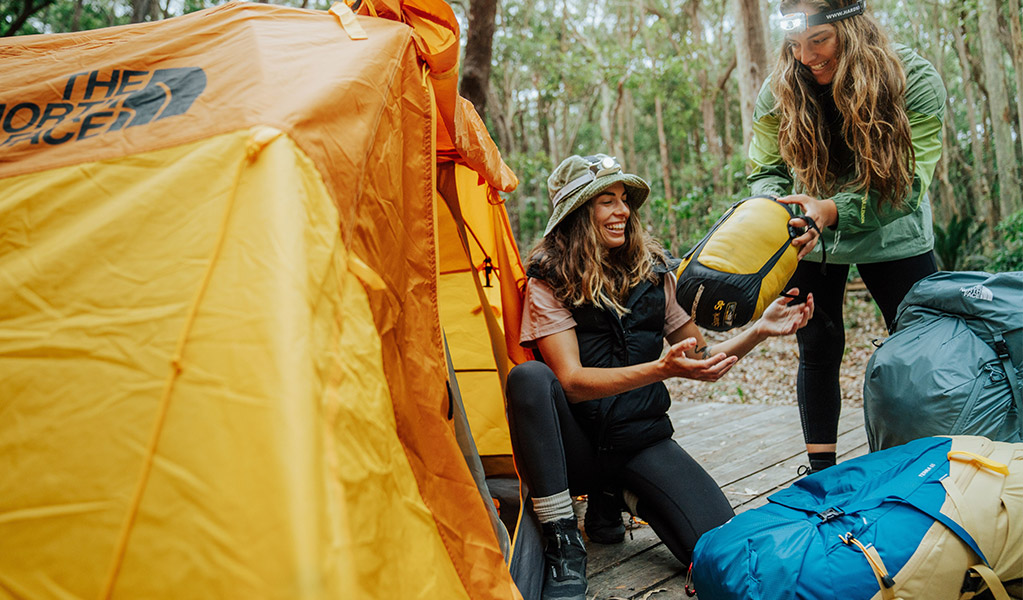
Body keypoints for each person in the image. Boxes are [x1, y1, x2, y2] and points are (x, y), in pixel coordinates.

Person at [507, 153, 815, 600]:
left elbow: (702, 359)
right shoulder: (548, 280)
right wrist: (658, 368)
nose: (623, 212)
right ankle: (563, 538)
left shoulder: (653, 272)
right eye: (606, 201)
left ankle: (620, 495)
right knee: (530, 379)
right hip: (575, 449)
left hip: (641, 439)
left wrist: (760, 330)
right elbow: (570, 380)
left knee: (720, 549)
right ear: (577, 213)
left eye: (624, 200)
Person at [748, 0, 946, 474]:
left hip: (892, 228)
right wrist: (780, 212)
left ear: (852, 28)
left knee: (922, 346)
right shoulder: (779, 90)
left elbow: (910, 186)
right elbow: (764, 170)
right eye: (795, 44)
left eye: (820, 40)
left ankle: (930, 464)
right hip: (811, 231)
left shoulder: (913, 80)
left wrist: (835, 209)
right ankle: (823, 476)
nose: (807, 57)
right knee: (817, 345)